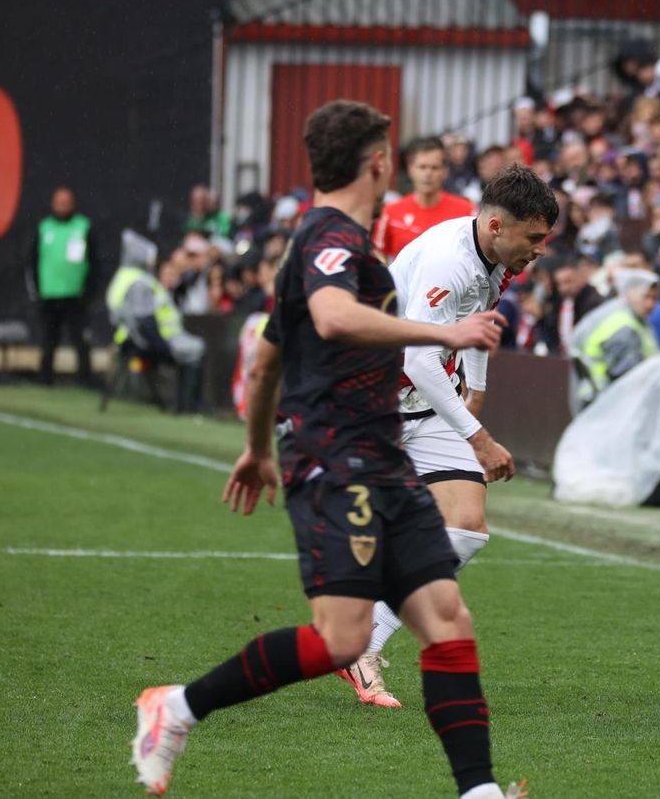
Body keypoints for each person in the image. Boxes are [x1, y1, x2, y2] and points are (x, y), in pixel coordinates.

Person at [129, 100, 520, 799]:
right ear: (378, 162)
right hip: (338, 457)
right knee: (340, 640)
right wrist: (445, 336)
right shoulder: (329, 236)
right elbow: (334, 319)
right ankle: (177, 709)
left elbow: (271, 358)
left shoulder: (336, 241)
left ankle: (479, 793)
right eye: (390, 153)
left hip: (377, 453)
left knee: (447, 617)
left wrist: (255, 448)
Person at [342, 164, 559, 708]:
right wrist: (479, 436)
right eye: (532, 239)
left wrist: (477, 390)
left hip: (426, 402)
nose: (538, 251)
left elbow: (481, 319)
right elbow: (418, 359)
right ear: (494, 226)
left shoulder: (496, 258)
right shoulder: (450, 261)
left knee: (466, 528)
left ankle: (362, 643)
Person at [105, 232, 207, 415]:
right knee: (196, 349)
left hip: (127, 338)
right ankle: (188, 406)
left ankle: (184, 404)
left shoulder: (124, 276)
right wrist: (160, 345)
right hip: (144, 340)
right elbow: (144, 320)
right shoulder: (140, 282)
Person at [29, 186, 99, 386]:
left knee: (81, 340)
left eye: (66, 202)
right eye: (59, 202)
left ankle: (85, 379)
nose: (62, 206)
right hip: (49, 294)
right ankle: (45, 378)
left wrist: (89, 291)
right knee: (49, 340)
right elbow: (32, 261)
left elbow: (95, 262)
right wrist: (36, 289)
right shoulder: (44, 227)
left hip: (75, 295)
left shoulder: (83, 226)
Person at [374, 136, 476, 261]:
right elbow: (378, 257)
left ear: (445, 172)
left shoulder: (466, 212)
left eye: (434, 168)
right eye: (422, 167)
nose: (428, 174)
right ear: (410, 169)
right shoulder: (390, 211)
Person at [572, 268, 660, 396]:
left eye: (654, 298)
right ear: (631, 293)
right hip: (606, 401)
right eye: (646, 297)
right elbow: (629, 382)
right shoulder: (625, 328)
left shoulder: (630, 316)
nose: (650, 304)